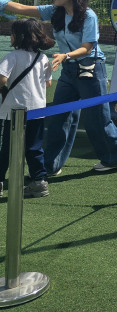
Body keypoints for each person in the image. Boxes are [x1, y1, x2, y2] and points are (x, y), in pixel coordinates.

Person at [0, 0, 117, 175]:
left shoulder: (89, 16)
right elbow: (22, 9)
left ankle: (116, 158)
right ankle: (51, 165)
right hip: (69, 70)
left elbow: (88, 48)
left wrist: (66, 55)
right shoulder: (54, 11)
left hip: (91, 68)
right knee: (59, 117)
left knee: (97, 117)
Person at [0, 18, 55, 198]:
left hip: (14, 111)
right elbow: (47, 83)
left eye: (12, 33)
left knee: (7, 148)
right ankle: (39, 182)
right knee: (34, 147)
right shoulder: (43, 58)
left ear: (19, 36)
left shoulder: (12, 57)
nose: (11, 36)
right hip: (37, 110)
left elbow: (2, 78)